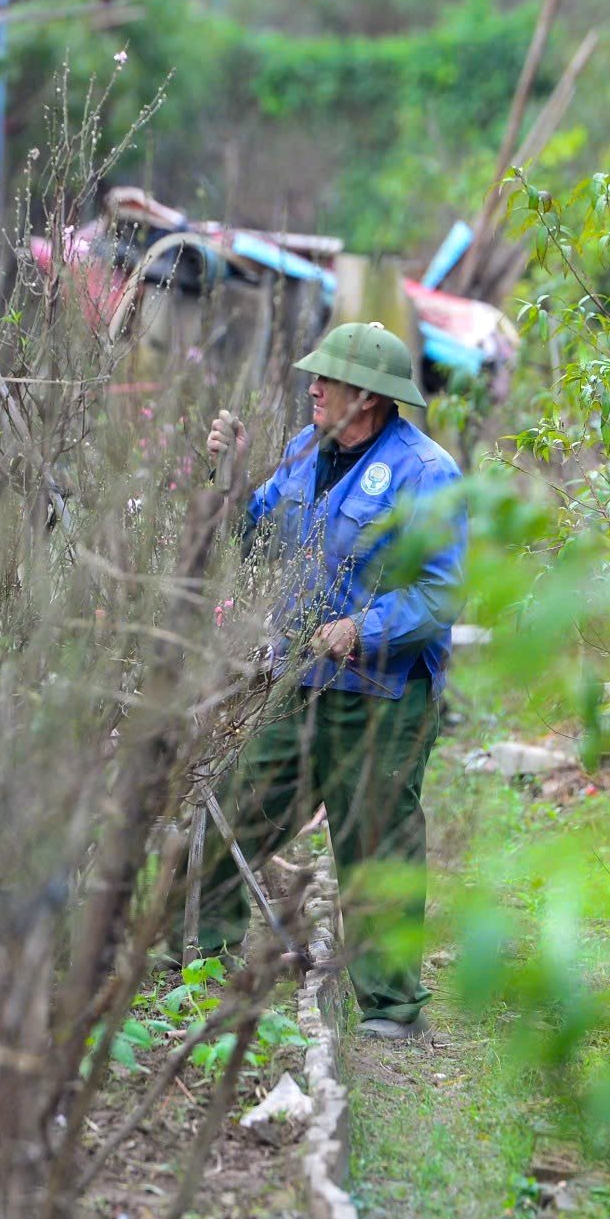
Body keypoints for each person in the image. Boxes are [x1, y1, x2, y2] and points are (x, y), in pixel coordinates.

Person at [201, 321, 466, 1040]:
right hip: (298, 681)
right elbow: (252, 539)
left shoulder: (426, 473)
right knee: (236, 806)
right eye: (314, 375)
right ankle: (202, 952)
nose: (312, 386)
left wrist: (361, 628)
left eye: (328, 378)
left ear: (370, 396)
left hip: (383, 698)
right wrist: (227, 479)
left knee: (375, 843)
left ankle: (391, 1006)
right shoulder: (299, 451)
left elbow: (441, 595)